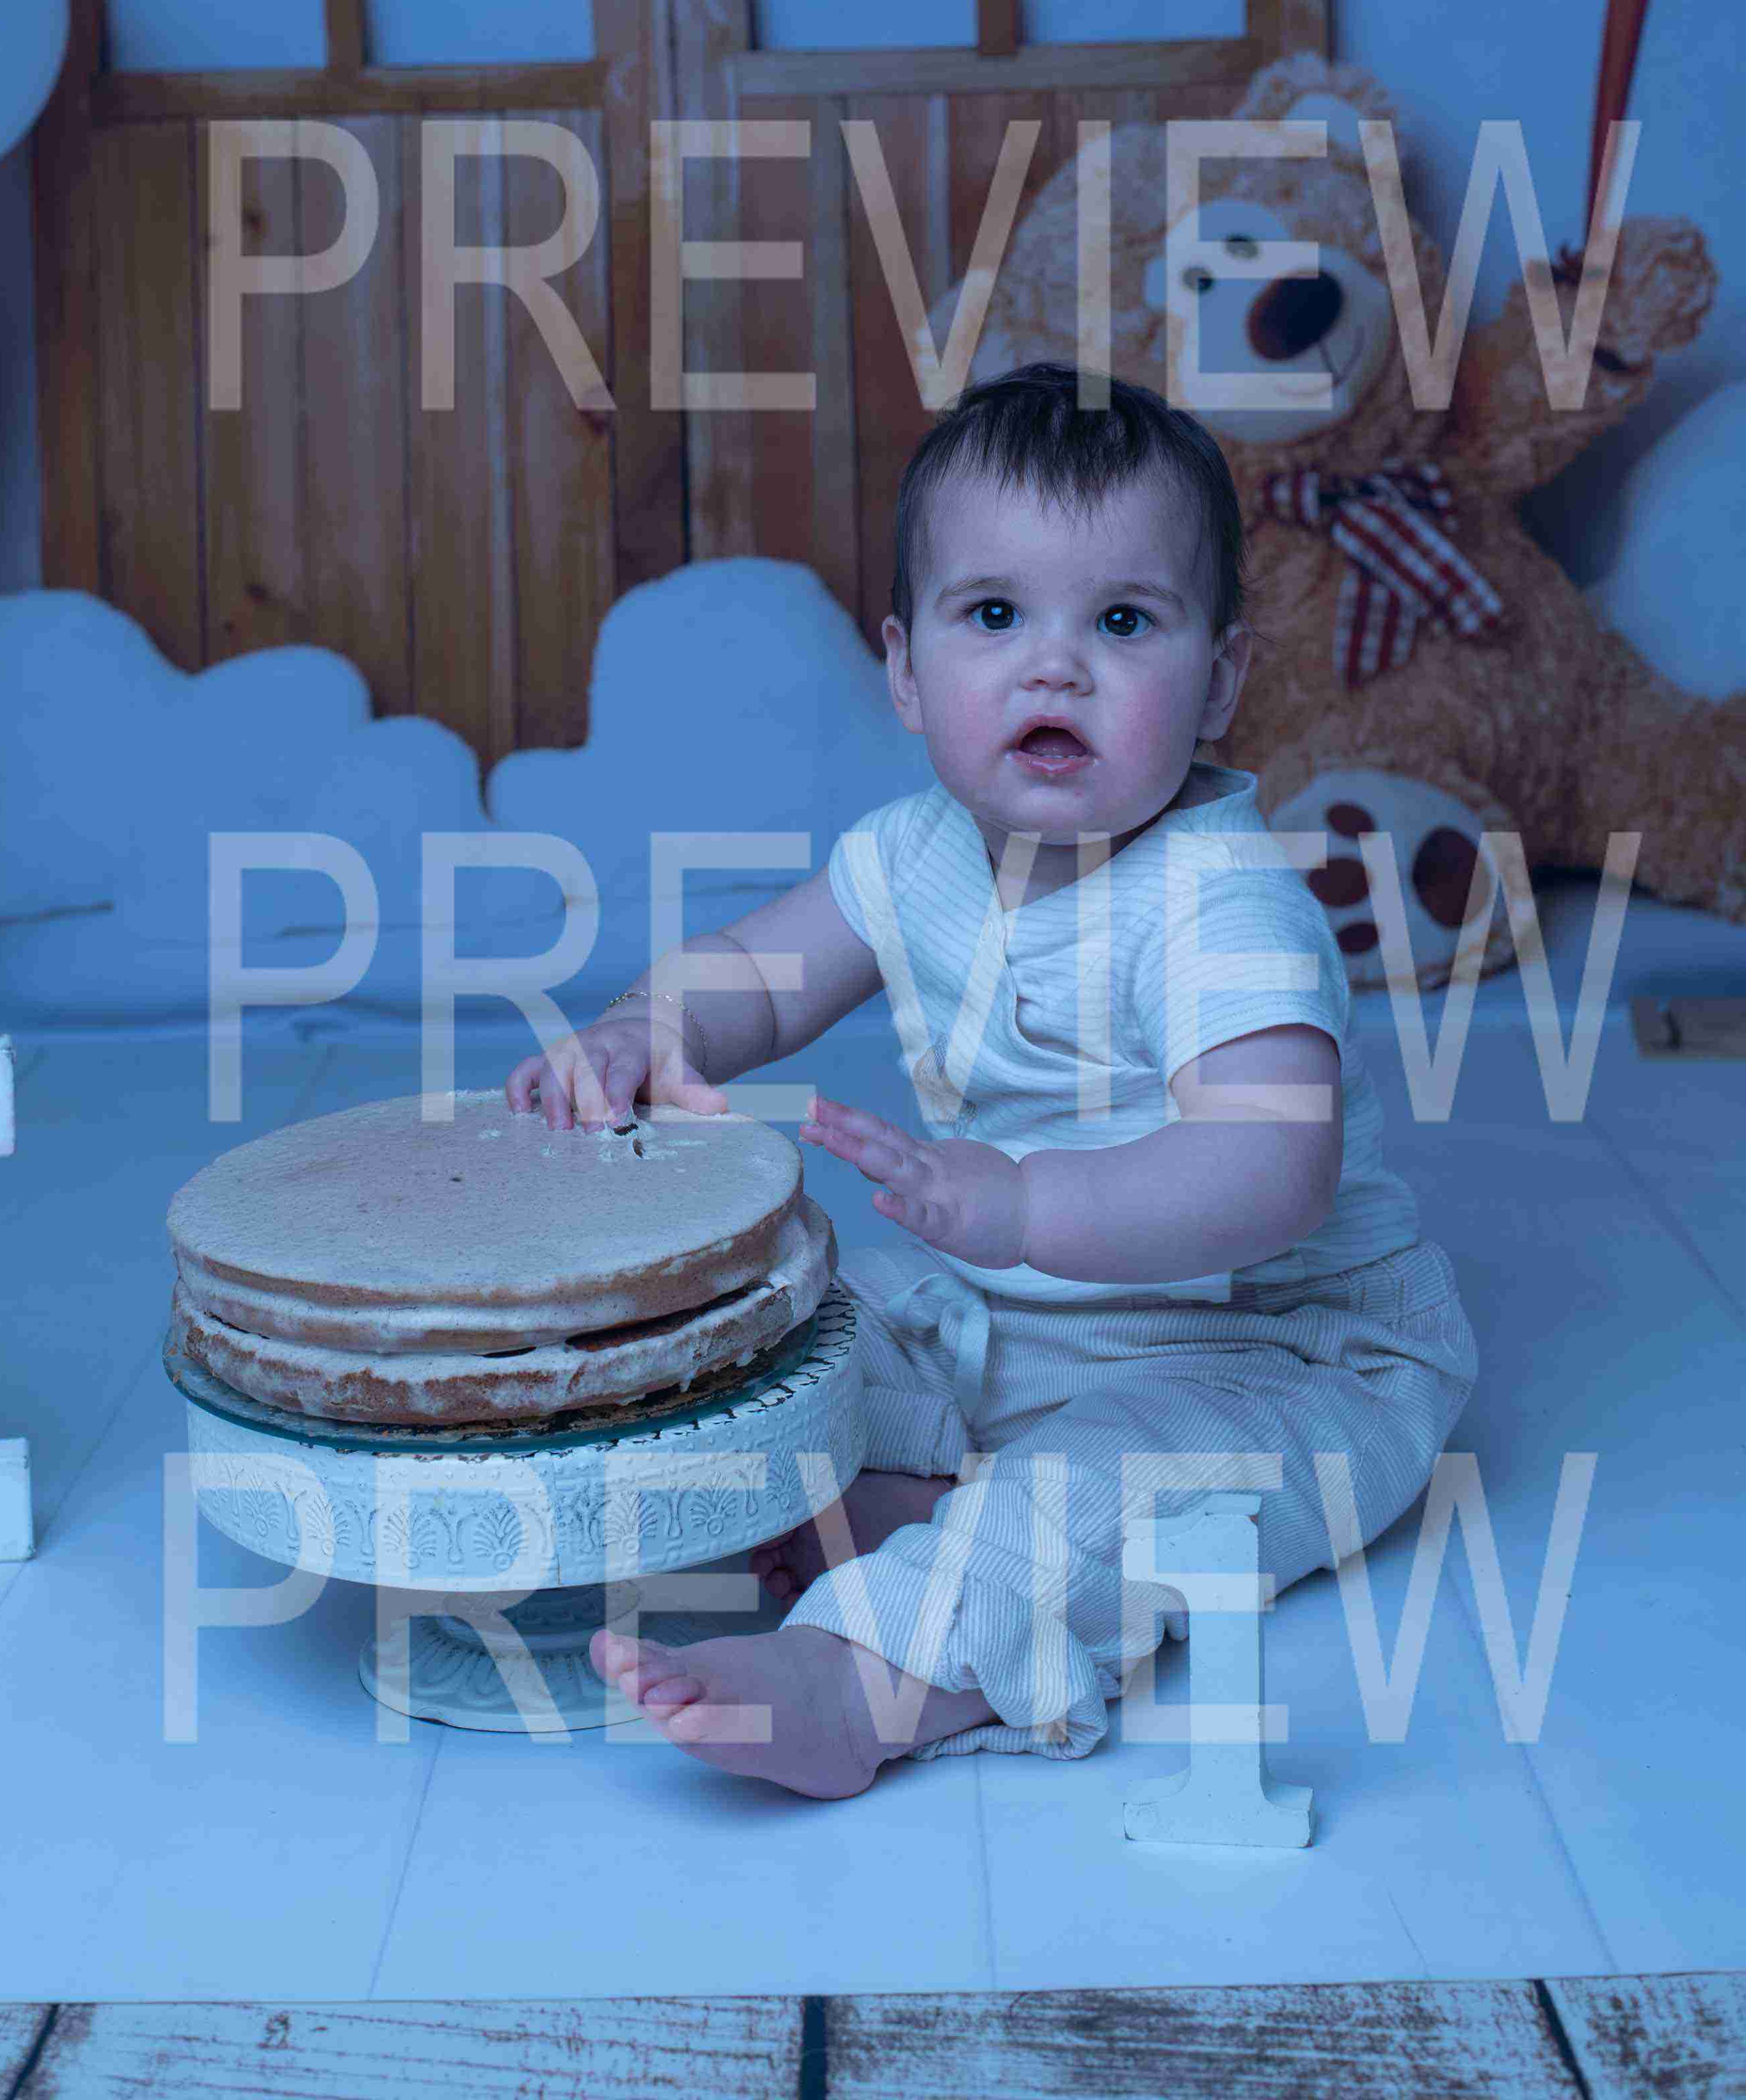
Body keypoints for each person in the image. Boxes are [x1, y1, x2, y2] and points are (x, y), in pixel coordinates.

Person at [506, 361, 1479, 1801]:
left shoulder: (1219, 903)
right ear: (905, 672)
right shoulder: (911, 854)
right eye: (994, 616)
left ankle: (857, 1681)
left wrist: (1024, 1206)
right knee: (790, 1335)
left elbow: (1273, 1171)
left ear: (1219, 679)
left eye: (1123, 621)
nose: (1053, 667)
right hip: (1014, 1312)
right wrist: (647, 1029)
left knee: (1092, 1499)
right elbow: (759, 973)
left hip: (1272, 1352)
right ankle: (873, 1499)